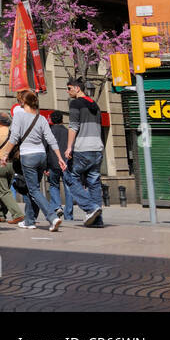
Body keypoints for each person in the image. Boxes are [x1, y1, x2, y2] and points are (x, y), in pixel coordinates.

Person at [4, 90, 67, 231]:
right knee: (35, 190)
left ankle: (52, 216)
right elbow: (51, 139)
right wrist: (60, 158)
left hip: (28, 156)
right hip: (41, 156)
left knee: (33, 190)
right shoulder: (41, 118)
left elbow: (14, 138)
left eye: (19, 101)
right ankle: (30, 221)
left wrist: (5, 154)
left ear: (23, 102)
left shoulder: (19, 116)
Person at [64, 78, 105, 228]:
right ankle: (97, 221)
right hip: (97, 148)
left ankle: (90, 208)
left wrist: (69, 147)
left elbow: (73, 126)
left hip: (83, 149)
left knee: (69, 177)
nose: (68, 92)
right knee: (94, 183)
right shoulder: (96, 105)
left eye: (69, 88)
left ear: (77, 88)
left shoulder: (75, 103)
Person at [0, 112, 25, 224]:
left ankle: (18, 214)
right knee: (4, 189)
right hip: (11, 164)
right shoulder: (12, 133)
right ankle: (1, 214)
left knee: (3, 191)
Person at [46, 110, 75, 224]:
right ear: (62, 119)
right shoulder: (68, 132)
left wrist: (45, 166)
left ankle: (57, 206)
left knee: (54, 185)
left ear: (52, 120)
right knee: (68, 187)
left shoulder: (49, 132)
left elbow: (46, 149)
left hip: (53, 163)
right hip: (67, 164)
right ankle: (69, 215)